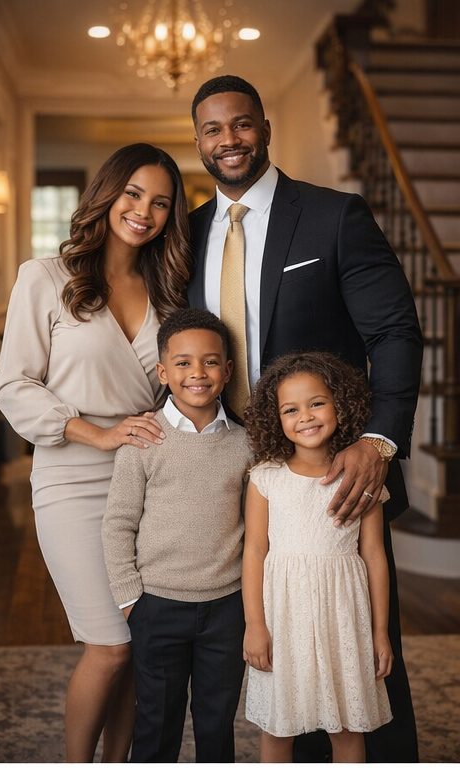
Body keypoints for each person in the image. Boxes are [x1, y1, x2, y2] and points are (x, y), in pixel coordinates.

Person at [188, 74, 423, 761]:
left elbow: (396, 333)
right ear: (199, 140)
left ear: (263, 128)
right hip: (222, 462)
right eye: (212, 129)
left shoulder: (333, 216)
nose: (228, 140)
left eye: (241, 124)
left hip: (327, 467)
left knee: (357, 646)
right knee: (253, 643)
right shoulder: (189, 230)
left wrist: (379, 439)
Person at [0, 143, 191, 762]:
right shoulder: (45, 277)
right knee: (110, 643)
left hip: (148, 482)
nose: (144, 211)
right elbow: (12, 385)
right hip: (73, 478)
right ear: (107, 193)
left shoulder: (170, 291)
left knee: (139, 640)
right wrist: (96, 433)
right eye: (133, 194)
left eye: (160, 202)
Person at [102, 308, 252, 763]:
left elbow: (256, 527)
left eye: (210, 362)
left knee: (216, 719)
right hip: (157, 606)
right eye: (183, 363)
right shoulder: (145, 439)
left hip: (227, 607)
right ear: (163, 371)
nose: (197, 373)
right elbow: (118, 522)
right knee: (157, 720)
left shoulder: (245, 444)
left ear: (227, 372)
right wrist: (131, 600)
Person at [243, 351, 394, 763]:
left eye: (317, 403)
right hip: (283, 617)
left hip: (343, 618)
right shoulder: (265, 478)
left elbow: (374, 556)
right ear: (276, 419)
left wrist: (380, 632)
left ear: (340, 404)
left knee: (347, 727)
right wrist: (255, 625)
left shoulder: (361, 478)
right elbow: (255, 552)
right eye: (291, 409)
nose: (305, 416)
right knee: (279, 726)